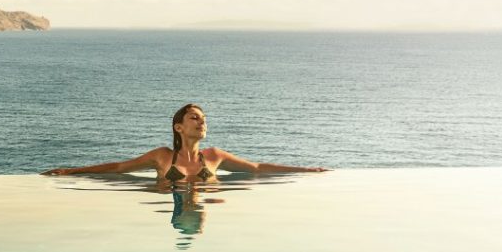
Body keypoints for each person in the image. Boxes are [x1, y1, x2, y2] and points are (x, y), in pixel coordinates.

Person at [42, 103, 329, 180]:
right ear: (178, 127)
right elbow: (119, 167)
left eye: (203, 118)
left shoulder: (214, 156)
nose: (201, 121)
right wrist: (70, 172)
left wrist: (306, 171)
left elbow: (256, 167)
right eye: (194, 118)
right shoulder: (162, 156)